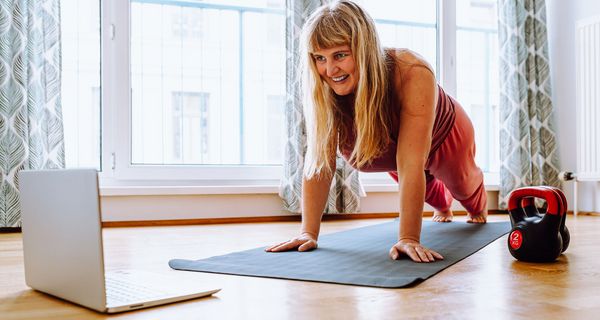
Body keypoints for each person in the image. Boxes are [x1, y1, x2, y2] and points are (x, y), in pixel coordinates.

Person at [266, 0, 487, 263]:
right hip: (391, 140)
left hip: (446, 133)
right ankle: (443, 206)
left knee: (467, 193)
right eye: (319, 58)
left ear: (364, 49)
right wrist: (308, 232)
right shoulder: (324, 87)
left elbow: (411, 162)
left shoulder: (412, 71)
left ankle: (476, 204)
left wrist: (408, 238)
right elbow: (320, 163)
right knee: (435, 199)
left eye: (340, 55)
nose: (329, 69)